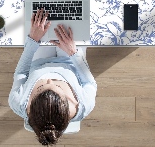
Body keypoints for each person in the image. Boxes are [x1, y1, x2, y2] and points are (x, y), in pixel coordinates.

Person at [9, 8, 97, 145]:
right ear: (69, 103)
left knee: (38, 23)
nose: (49, 79)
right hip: (70, 61)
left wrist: (33, 40)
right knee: (72, 19)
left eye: (41, 87)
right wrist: (73, 52)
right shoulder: (85, 105)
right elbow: (89, 83)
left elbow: (21, 73)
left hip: (38, 62)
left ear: (30, 105)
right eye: (57, 86)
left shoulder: (18, 103)